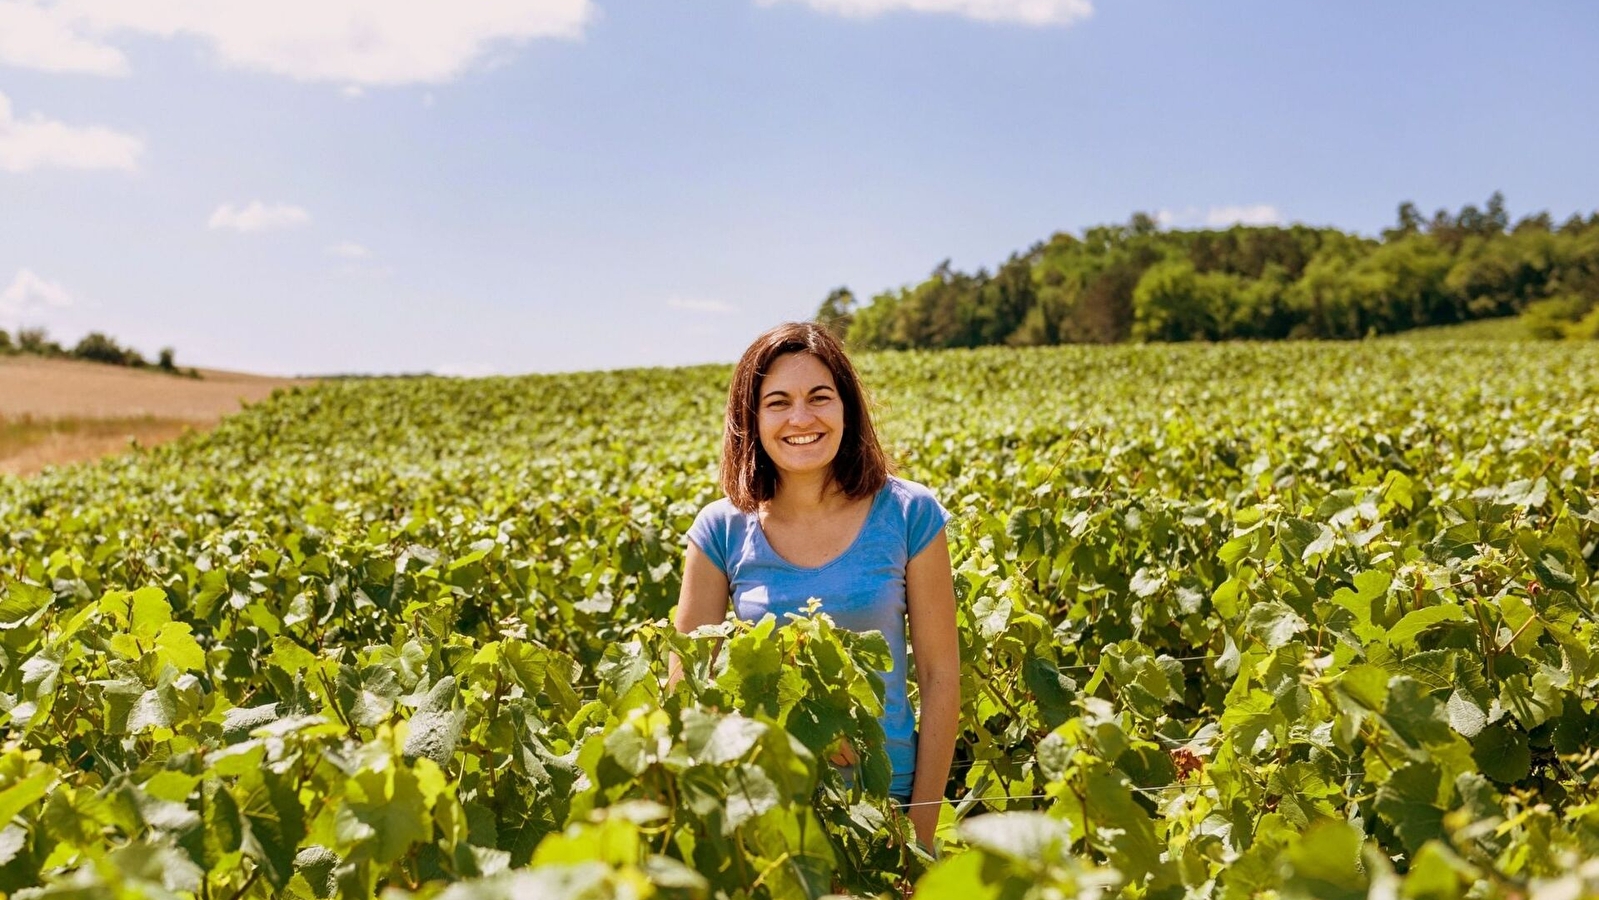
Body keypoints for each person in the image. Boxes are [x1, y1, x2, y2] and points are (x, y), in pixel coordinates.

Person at [673, 321, 959, 852]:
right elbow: (689, 695)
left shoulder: (910, 514)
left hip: (886, 806)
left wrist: (918, 836)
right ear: (750, 419)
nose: (801, 419)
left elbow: (941, 678)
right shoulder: (719, 530)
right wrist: (794, 736)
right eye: (778, 402)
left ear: (846, 407)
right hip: (766, 817)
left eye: (819, 397)